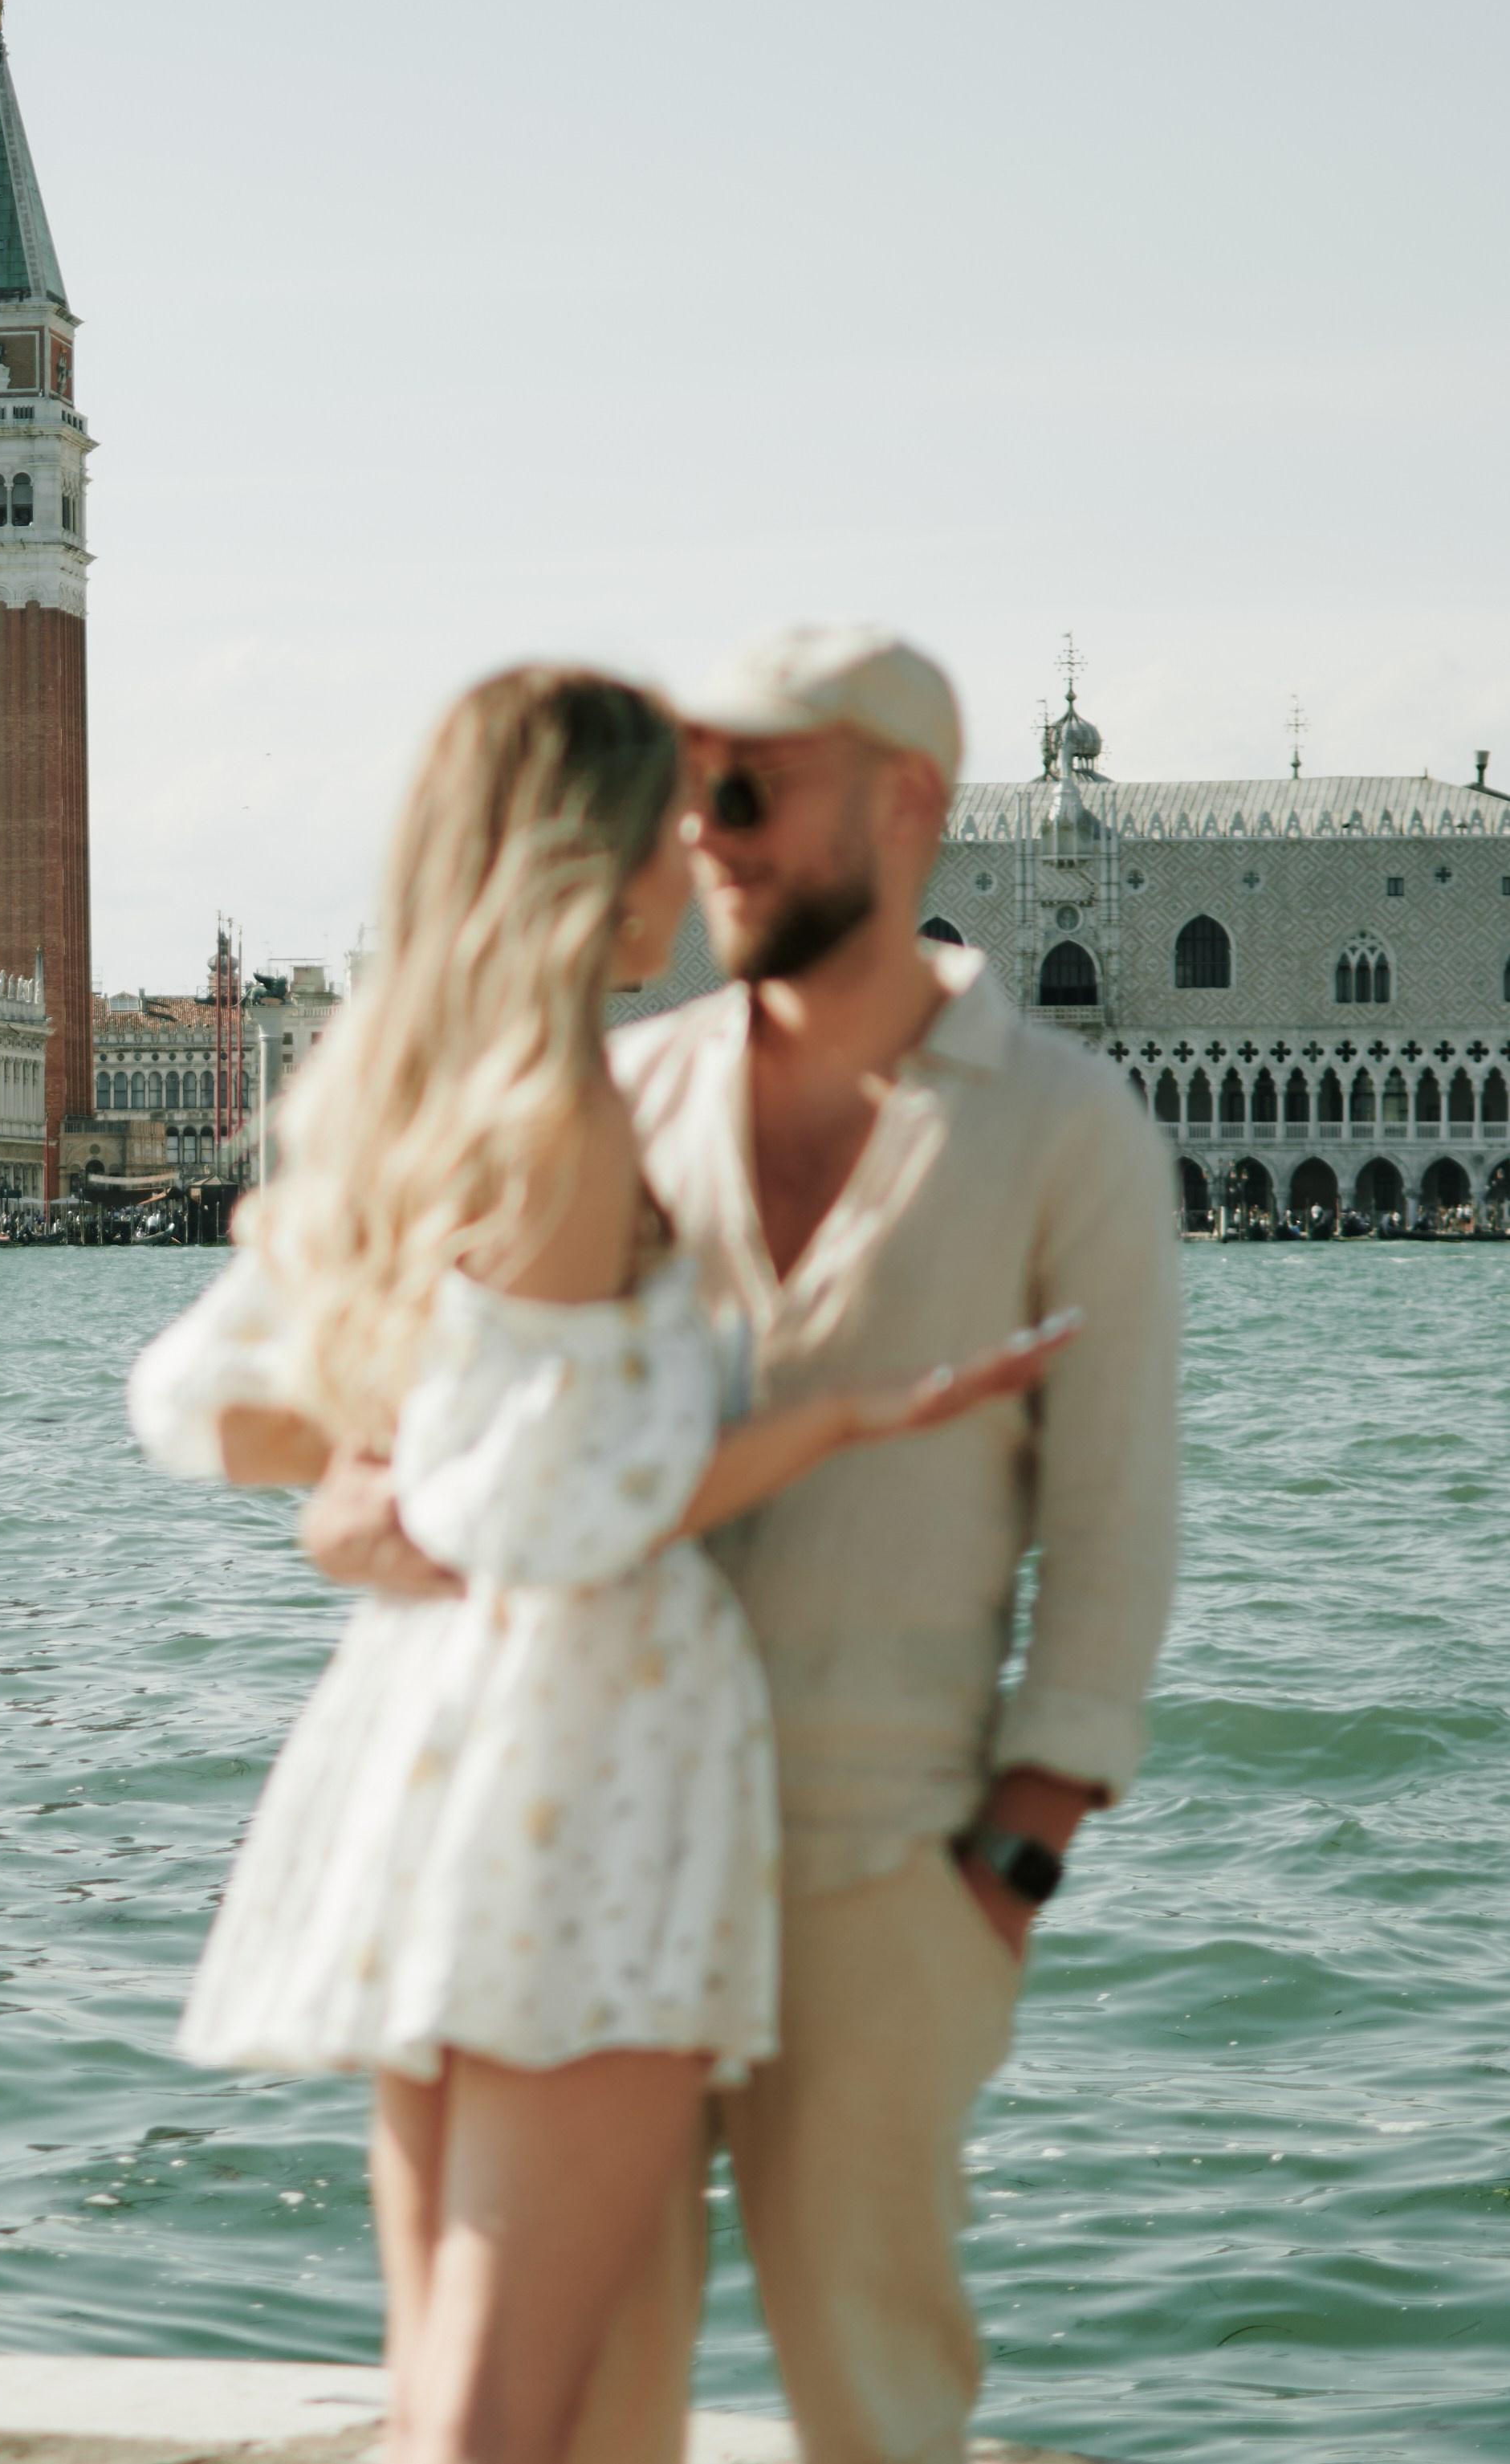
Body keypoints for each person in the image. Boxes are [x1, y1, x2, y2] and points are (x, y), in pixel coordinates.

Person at [128, 665, 1077, 2464]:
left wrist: (374, 1473)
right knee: (495, 2421)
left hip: (419, 1744)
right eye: (673, 828)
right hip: (592, 1773)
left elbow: (198, 1398)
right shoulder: (572, 1117)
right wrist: (852, 1416)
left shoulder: (400, 1110)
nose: (697, 866)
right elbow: (556, 1512)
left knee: (448, 2390)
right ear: (595, 858)